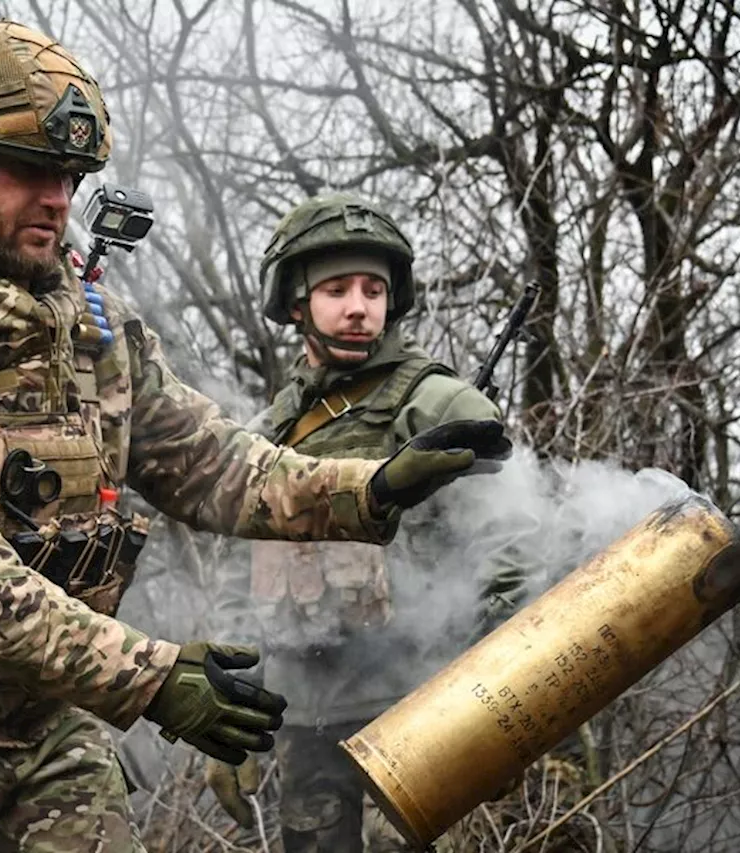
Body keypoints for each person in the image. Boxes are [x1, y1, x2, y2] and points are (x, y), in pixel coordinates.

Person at [0, 21, 511, 853]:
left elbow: (211, 465)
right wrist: (155, 678)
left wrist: (368, 488)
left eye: (71, 177)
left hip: (47, 723)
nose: (60, 201)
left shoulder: (94, 330)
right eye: (34, 173)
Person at [204, 195, 525, 852]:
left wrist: (493, 702)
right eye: (337, 289)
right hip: (306, 718)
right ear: (296, 303)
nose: (359, 306)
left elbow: (510, 544)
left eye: (374, 289)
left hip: (415, 710)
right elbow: (241, 586)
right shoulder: (271, 433)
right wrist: (231, 724)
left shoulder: (435, 403)